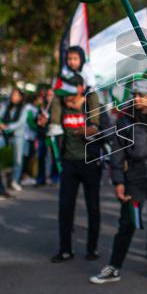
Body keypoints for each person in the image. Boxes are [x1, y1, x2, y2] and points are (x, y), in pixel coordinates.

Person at [90, 80, 147, 284]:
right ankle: (114, 266)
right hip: (135, 174)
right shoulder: (126, 119)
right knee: (128, 221)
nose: (137, 98)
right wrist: (118, 181)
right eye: (135, 95)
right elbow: (118, 151)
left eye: (142, 95)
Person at [51, 82, 109, 263]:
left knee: (93, 208)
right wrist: (42, 124)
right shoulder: (60, 109)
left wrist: (91, 132)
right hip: (68, 163)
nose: (66, 96)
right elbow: (48, 130)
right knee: (65, 208)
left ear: (79, 89)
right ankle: (65, 249)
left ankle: (92, 248)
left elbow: (108, 133)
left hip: (90, 163)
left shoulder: (94, 107)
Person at [0, 88, 33, 191]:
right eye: (12, 94)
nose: (13, 97)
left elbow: (20, 123)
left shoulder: (24, 108)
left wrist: (7, 127)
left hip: (18, 135)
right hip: (5, 135)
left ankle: (15, 181)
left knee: (18, 160)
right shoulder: (6, 105)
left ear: (21, 97)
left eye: (16, 95)